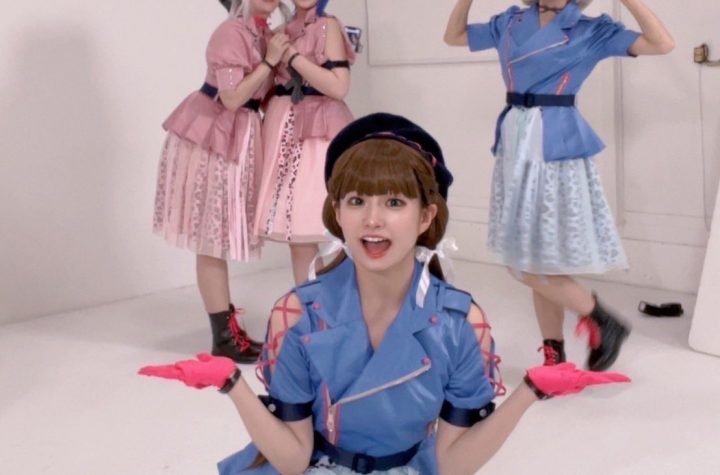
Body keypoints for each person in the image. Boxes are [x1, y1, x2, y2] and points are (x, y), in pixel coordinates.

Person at [141, 113, 630, 475]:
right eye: (357, 201)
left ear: (426, 217)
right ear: (338, 214)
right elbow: (292, 459)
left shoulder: (460, 323)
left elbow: (451, 463)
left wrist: (529, 393)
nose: (372, 220)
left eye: (394, 202)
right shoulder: (298, 313)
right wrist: (233, 385)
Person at [444, 0, 675, 369]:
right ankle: (554, 357)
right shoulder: (510, 22)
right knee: (537, 258)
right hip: (515, 139)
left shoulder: (590, 30)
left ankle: (602, 319)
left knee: (529, 262)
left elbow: (662, 43)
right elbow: (453, 37)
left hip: (552, 145)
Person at [152, 0, 291, 363]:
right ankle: (224, 338)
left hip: (238, 136)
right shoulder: (231, 33)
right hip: (214, 137)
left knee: (216, 236)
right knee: (211, 238)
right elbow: (231, 98)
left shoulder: (263, 33)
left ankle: (226, 332)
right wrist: (269, 62)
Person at [253, 0, 356, 285]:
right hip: (284, 131)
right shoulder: (278, 32)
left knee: (336, 228)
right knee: (297, 235)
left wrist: (293, 56)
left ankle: (339, 300)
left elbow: (339, 86)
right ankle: (310, 303)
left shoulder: (327, 25)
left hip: (320, 133)